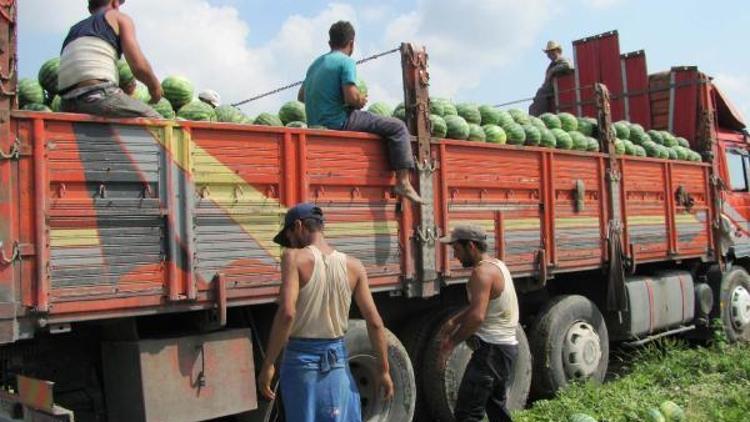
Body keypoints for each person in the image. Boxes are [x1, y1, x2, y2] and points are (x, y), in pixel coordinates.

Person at [258, 203, 394, 421]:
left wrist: (268, 364)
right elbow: (376, 322)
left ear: (299, 226)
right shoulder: (355, 266)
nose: (290, 244)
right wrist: (384, 369)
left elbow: (287, 313)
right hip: (338, 361)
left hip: (301, 362)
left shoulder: (293, 258)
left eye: (289, 237)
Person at [298, 21, 423, 204]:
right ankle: (403, 182)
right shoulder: (347, 62)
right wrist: (360, 99)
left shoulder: (315, 64)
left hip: (315, 123)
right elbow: (351, 98)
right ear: (351, 43)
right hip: (339, 122)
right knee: (397, 126)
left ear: (329, 42)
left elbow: (301, 96)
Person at [438, 224, 519, 422]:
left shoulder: (481, 274)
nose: (455, 256)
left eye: (457, 249)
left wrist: (450, 344)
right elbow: (481, 307)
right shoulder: (497, 265)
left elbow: (477, 317)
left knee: (467, 414)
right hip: (505, 349)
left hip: (491, 352)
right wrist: (454, 321)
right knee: (496, 408)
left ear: (471, 246)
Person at [58, 0, 162, 118]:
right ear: (115, 3)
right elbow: (139, 66)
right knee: (158, 124)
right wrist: (154, 88)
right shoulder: (119, 18)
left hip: (66, 102)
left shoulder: (73, 29)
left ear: (90, 8)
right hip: (98, 95)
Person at [528, 40, 573, 116]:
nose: (549, 53)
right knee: (533, 106)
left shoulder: (561, 60)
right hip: (548, 88)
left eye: (552, 51)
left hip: (554, 89)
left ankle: (540, 116)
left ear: (558, 51)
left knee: (540, 95)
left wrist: (552, 70)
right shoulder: (552, 64)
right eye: (548, 52)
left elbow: (568, 65)